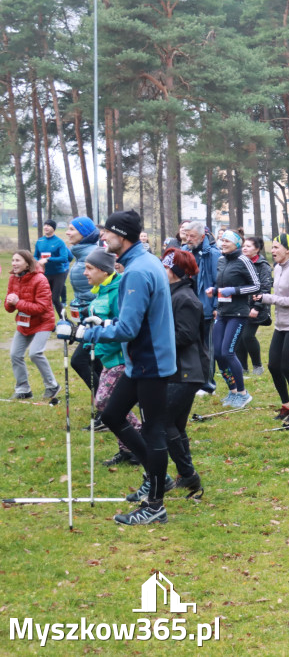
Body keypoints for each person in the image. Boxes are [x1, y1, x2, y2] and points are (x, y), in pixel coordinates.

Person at [80, 209, 177, 526]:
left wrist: (88, 332)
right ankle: (155, 475)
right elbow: (131, 321)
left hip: (151, 362)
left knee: (154, 432)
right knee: (111, 414)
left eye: (106, 232)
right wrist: (104, 322)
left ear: (121, 236)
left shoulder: (136, 271)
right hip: (140, 361)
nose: (102, 237)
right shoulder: (141, 262)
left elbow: (128, 329)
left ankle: (156, 505)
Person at [80, 248, 144, 469]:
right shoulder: (101, 290)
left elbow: (123, 326)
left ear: (102, 269)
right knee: (111, 405)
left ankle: (138, 437)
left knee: (105, 404)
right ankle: (127, 449)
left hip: (120, 357)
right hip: (106, 356)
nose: (85, 273)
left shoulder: (117, 291)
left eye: (89, 268)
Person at [161, 248, 204, 498]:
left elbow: (185, 336)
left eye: (166, 268)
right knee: (175, 425)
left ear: (176, 272)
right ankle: (187, 475)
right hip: (177, 370)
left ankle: (188, 474)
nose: (162, 272)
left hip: (186, 371)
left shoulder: (185, 298)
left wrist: (154, 339)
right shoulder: (173, 293)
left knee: (164, 423)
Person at [255, 234, 289, 426]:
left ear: (287, 249)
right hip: (281, 325)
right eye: (272, 247)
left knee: (286, 367)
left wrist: (269, 298)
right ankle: (286, 405)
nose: (272, 251)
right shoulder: (278, 268)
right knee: (273, 366)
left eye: (276, 247)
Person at [207, 230, 260, 408]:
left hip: (238, 313)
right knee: (217, 353)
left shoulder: (243, 260)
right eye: (222, 240)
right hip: (222, 312)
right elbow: (221, 284)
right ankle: (233, 391)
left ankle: (243, 394)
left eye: (227, 241)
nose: (223, 243)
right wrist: (214, 291)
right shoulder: (221, 260)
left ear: (236, 244)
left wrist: (235, 291)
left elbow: (256, 286)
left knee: (228, 352)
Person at [6, 250, 58, 400]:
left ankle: (52, 386)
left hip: (43, 321)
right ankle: (23, 390)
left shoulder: (40, 279)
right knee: (15, 354)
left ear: (28, 264)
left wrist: (17, 303)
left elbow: (41, 308)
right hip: (24, 323)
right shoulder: (13, 278)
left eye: (18, 261)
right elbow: (9, 307)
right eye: (13, 260)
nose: (14, 263)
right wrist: (10, 303)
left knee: (35, 353)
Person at [180, 220, 221, 395]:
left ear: (202, 236)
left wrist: (216, 306)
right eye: (187, 235)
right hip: (188, 306)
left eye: (192, 236)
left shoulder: (212, 254)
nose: (189, 239)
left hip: (206, 307)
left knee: (207, 347)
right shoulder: (184, 252)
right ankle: (194, 380)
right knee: (192, 346)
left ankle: (208, 384)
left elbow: (218, 281)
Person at [65, 216, 104, 400]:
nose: (67, 232)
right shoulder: (81, 254)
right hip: (85, 317)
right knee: (96, 363)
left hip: (96, 318)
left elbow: (103, 289)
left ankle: (107, 404)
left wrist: (93, 312)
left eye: (72, 229)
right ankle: (110, 406)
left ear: (85, 232)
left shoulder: (92, 255)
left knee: (79, 360)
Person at [236, 237, 273, 376]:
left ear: (257, 249)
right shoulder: (240, 263)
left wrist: (257, 307)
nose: (244, 248)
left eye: (249, 246)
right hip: (240, 306)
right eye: (244, 246)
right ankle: (242, 367)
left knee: (247, 336)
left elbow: (265, 287)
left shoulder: (262, 265)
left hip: (256, 307)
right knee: (239, 337)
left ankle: (258, 366)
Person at [33, 219, 70, 315]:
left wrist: (48, 259)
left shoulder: (59, 242)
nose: (46, 227)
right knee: (45, 299)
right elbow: (35, 255)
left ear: (53, 228)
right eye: (45, 225)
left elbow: (64, 258)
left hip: (58, 274)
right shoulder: (40, 241)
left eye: (48, 225)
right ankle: (48, 322)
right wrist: (37, 261)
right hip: (44, 274)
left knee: (55, 299)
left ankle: (64, 320)